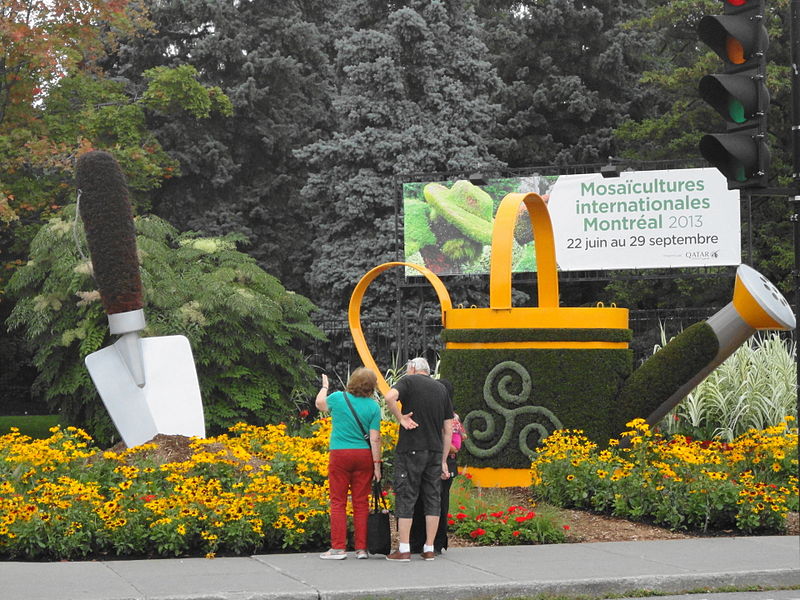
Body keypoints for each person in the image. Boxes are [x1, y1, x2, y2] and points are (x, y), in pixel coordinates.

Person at [384, 357, 453, 561]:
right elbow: (447, 429)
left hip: (411, 448)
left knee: (406, 494)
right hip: (434, 450)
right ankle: (429, 547)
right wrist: (443, 459)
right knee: (433, 497)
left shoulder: (408, 381)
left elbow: (389, 397)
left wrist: (400, 417)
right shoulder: (441, 389)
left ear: (413, 368)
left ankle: (404, 548)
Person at [315, 368, 382, 560]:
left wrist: (325, 386)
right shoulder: (373, 407)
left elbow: (320, 404)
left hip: (340, 454)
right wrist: (377, 466)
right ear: (372, 386)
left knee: (338, 502)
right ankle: (361, 549)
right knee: (361, 503)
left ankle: (338, 548)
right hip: (363, 456)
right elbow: (375, 439)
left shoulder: (338, 398)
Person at [409, 381, 463, 555]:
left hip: (442, 462)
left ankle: (431, 542)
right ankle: (425, 542)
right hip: (433, 460)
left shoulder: (450, 418)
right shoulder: (438, 414)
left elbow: (456, 445)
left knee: (435, 502)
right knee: (429, 501)